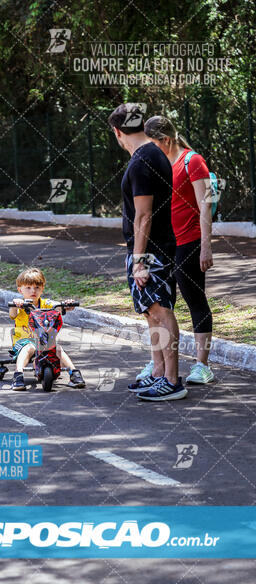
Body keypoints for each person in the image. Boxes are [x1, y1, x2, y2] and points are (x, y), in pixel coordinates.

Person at [108, 103, 187, 401]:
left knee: (160, 310)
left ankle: (172, 380)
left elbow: (144, 215)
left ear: (118, 132)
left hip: (152, 251)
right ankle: (158, 372)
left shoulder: (142, 161)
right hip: (151, 249)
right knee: (150, 313)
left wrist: (139, 260)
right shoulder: (151, 154)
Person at [141, 115, 214, 385]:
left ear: (167, 140)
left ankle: (202, 366)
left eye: (154, 144)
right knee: (157, 305)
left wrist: (206, 245)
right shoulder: (156, 163)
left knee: (195, 300)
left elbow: (205, 204)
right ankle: (157, 362)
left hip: (190, 241)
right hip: (164, 245)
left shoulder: (192, 161)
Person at [9, 267, 85, 391]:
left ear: (42, 288)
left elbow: (58, 309)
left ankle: (74, 373)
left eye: (37, 287)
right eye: (28, 287)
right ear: (20, 290)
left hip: (43, 341)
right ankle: (18, 375)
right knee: (30, 347)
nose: (33, 290)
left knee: (57, 348)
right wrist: (15, 304)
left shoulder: (47, 304)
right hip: (23, 341)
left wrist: (67, 306)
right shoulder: (20, 305)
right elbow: (12, 314)